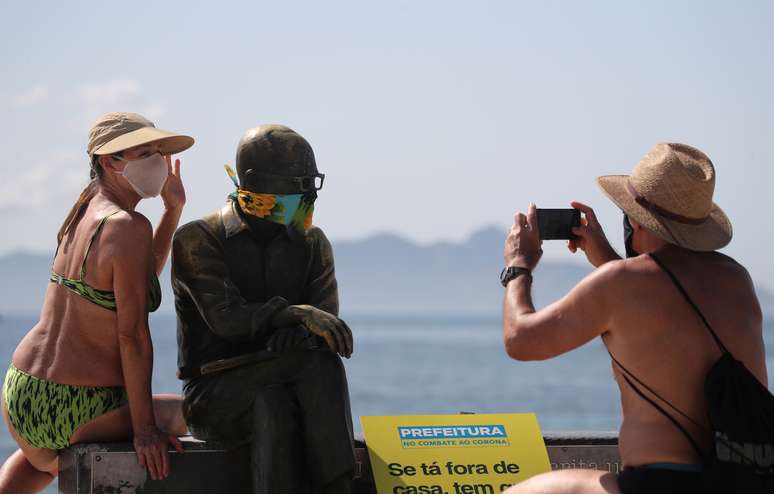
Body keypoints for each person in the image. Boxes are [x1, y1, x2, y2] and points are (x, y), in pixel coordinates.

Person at [500, 143, 767, 493]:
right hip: (741, 480)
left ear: (634, 219)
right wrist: (610, 259)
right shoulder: (738, 280)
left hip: (660, 483)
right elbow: (668, 310)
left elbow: (520, 340)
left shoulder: (619, 284)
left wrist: (518, 266)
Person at [0, 112, 194, 493]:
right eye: (144, 152)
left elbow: (132, 281)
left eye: (157, 151)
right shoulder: (126, 226)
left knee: (44, 465)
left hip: (21, 395)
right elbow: (133, 337)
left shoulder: (84, 211)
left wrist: (171, 212)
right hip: (77, 407)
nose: (156, 161)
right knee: (196, 415)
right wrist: (144, 431)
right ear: (110, 161)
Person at [171, 124, 355, 494]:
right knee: (309, 369)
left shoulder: (311, 242)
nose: (307, 194)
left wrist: (297, 331)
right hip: (214, 392)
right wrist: (294, 314)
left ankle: (340, 487)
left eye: (311, 182)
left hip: (284, 378)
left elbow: (325, 327)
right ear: (255, 182)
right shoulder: (199, 239)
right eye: (297, 183)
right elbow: (226, 319)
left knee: (277, 397)